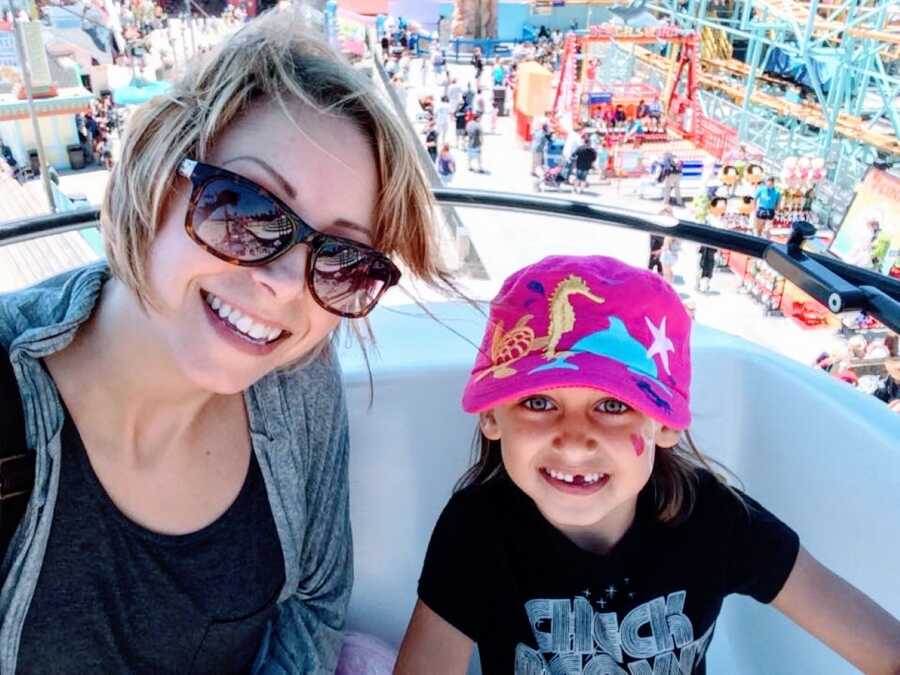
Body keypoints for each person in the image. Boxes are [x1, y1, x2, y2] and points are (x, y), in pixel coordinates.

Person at [0, 10, 450, 672]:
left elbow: (316, 601)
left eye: (342, 259)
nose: (285, 284)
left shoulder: (300, 377)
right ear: (156, 171)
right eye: (245, 207)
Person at [394, 255, 900, 674]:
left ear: (665, 425)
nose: (574, 441)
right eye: (539, 402)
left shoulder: (714, 519)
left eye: (612, 406)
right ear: (492, 417)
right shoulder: (477, 529)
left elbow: (883, 648)